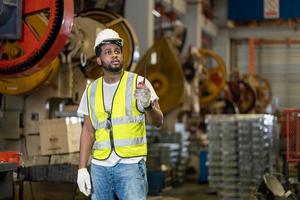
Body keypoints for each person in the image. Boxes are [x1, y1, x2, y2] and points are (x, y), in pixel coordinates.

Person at [76, 28, 164, 200]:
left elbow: (158, 121)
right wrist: (81, 168)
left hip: (130, 166)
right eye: (108, 52)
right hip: (100, 167)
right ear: (99, 60)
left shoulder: (138, 83)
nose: (114, 55)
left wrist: (148, 107)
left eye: (117, 51)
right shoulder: (91, 90)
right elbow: (88, 131)